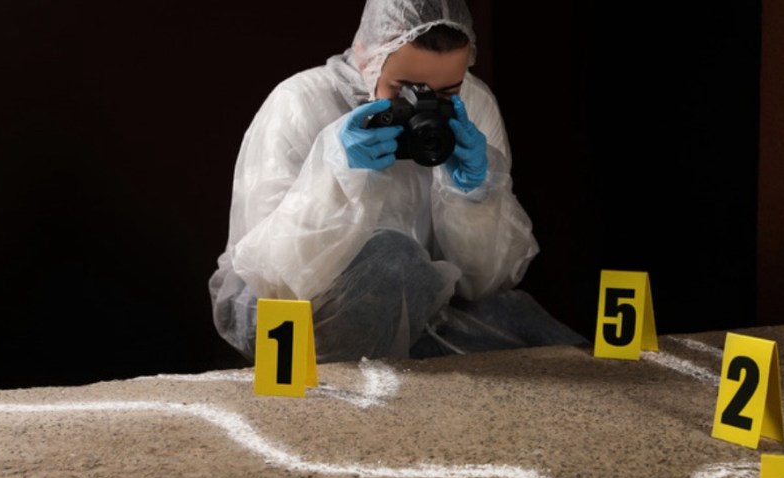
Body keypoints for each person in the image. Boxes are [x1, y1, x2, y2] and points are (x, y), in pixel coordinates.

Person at [208, 0, 587, 363]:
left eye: (446, 94)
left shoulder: (475, 105)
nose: (425, 108)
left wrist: (474, 195)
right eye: (405, 90)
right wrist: (337, 175)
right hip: (299, 314)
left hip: (425, 302)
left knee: (537, 336)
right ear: (365, 56)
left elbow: (484, 283)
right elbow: (270, 279)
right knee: (392, 260)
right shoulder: (300, 102)